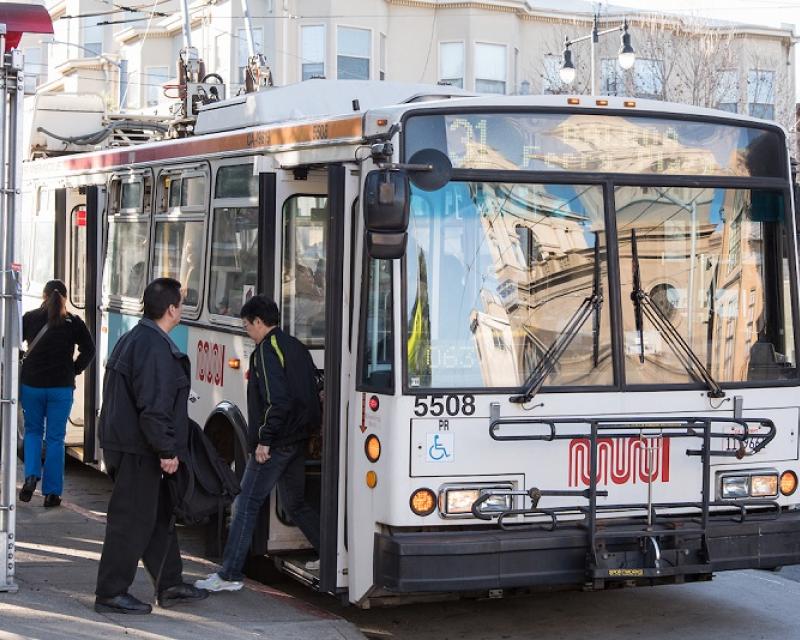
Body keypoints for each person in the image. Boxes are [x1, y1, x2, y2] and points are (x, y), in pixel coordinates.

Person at [95, 278, 208, 614]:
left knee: (157, 516)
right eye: (182, 304)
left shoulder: (136, 337)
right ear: (172, 309)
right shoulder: (154, 348)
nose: (183, 309)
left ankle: (170, 583)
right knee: (130, 519)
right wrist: (167, 451)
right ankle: (111, 592)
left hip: (130, 444)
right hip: (137, 449)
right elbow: (153, 406)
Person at [195, 295, 321, 592]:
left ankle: (229, 575)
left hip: (277, 443)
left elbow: (277, 402)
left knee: (246, 503)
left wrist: (264, 441)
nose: (247, 331)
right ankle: (329, 553)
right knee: (296, 503)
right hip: (298, 439)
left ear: (259, 323)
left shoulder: (266, 351)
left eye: (247, 325)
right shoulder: (296, 346)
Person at [19, 279, 95, 508]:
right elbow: (89, 350)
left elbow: (10, 342)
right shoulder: (73, 321)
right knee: (55, 438)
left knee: (33, 431)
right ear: (65, 297)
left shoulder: (30, 317)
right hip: (61, 388)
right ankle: (52, 493)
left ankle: (31, 475)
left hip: (32, 385)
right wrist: (74, 369)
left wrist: (25, 356)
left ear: (44, 296)